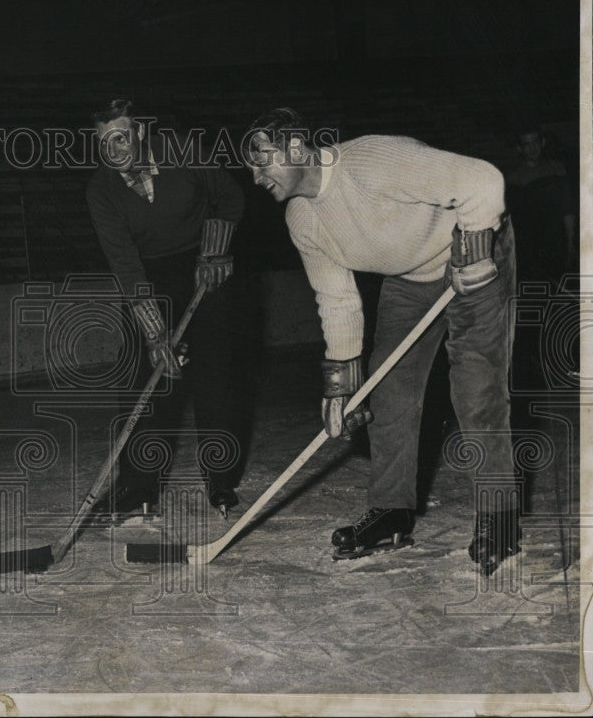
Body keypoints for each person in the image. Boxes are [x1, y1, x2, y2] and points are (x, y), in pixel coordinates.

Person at [247, 107, 518, 575]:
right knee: (388, 391)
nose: (255, 177)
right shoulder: (302, 218)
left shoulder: (371, 161)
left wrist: (474, 248)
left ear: (295, 148)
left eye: (262, 161)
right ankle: (392, 512)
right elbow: (336, 301)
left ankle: (500, 518)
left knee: (476, 389)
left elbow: (483, 180)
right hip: (409, 279)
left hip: (472, 255)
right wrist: (342, 385)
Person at [86, 99, 245, 517]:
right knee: (143, 379)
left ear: (140, 133)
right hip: (147, 277)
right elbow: (124, 263)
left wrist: (217, 251)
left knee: (214, 375)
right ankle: (138, 487)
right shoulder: (101, 189)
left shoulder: (182, 149)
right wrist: (156, 335)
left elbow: (229, 198)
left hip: (202, 264)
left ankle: (221, 481)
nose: (114, 148)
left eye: (121, 136)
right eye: (105, 141)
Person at [505, 126, 577, 283]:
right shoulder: (514, 178)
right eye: (526, 144)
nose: (532, 148)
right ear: (519, 148)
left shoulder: (557, 168)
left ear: (543, 142)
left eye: (535, 142)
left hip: (558, 244)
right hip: (531, 251)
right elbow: (514, 223)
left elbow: (567, 207)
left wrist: (571, 244)